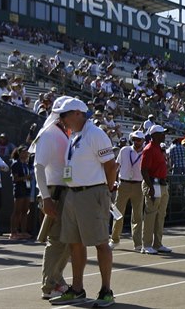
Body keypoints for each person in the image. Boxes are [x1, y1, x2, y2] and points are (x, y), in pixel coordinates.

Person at [50, 98, 117, 307]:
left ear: (78, 113)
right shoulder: (75, 134)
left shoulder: (95, 134)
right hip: (74, 193)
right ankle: (77, 289)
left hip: (92, 192)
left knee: (100, 242)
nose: (61, 119)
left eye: (64, 115)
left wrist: (106, 190)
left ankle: (106, 291)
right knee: (74, 243)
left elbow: (111, 166)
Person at [32, 95, 72, 299]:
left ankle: (57, 279)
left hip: (63, 191)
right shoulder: (49, 134)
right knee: (56, 240)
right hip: (54, 192)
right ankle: (49, 285)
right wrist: (45, 197)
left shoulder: (61, 133)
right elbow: (38, 167)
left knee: (66, 240)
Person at [110, 131, 146, 251]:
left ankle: (137, 243)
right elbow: (116, 166)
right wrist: (112, 181)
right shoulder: (124, 150)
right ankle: (114, 239)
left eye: (139, 140)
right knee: (118, 213)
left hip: (138, 185)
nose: (136, 141)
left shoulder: (145, 152)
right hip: (124, 184)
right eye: (135, 139)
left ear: (143, 140)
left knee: (137, 215)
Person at [139, 125, 172, 255]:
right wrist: (150, 188)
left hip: (162, 184)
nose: (164, 135)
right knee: (151, 215)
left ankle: (158, 244)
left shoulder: (158, 148)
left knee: (160, 215)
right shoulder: (149, 149)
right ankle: (146, 244)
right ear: (154, 135)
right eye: (161, 133)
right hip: (154, 184)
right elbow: (144, 170)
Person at [9, 146, 32, 239]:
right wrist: (25, 178)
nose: (26, 153)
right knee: (17, 211)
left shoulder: (27, 164)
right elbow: (15, 179)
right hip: (19, 189)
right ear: (19, 153)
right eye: (24, 152)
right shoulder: (15, 164)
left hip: (27, 189)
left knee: (25, 211)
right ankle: (13, 232)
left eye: (27, 152)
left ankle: (23, 232)